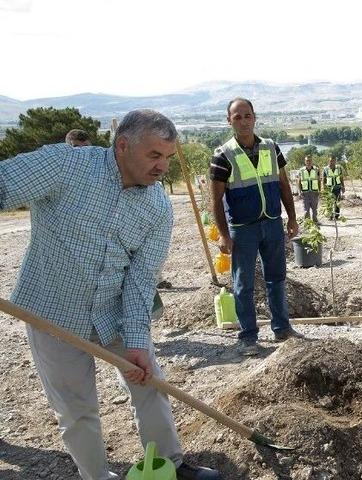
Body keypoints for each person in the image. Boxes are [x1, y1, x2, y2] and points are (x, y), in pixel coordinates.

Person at [0, 109, 220, 480]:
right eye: (154, 155)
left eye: (167, 157)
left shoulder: (157, 208)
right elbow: (4, 184)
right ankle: (98, 477)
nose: (162, 166)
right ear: (122, 146)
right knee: (76, 409)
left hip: (113, 312)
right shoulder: (65, 166)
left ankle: (170, 465)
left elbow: (140, 281)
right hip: (51, 315)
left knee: (150, 383)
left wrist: (136, 341)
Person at [209, 98, 301, 356]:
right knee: (243, 284)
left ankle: (282, 328)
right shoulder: (223, 155)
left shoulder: (271, 148)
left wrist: (292, 218)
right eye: (237, 117)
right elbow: (215, 200)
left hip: (272, 224)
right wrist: (225, 235)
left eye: (247, 116)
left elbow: (283, 185)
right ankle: (248, 337)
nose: (243, 121)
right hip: (243, 229)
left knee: (277, 279)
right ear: (229, 121)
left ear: (254, 117)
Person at [297, 155, 321, 223]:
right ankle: (308, 223)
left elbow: (319, 181)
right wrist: (300, 191)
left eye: (310, 160)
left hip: (314, 192)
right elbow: (299, 181)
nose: (309, 162)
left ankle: (315, 221)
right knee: (306, 209)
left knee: (314, 209)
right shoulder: (301, 170)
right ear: (305, 162)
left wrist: (319, 190)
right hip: (305, 193)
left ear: (312, 161)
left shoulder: (316, 169)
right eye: (307, 160)